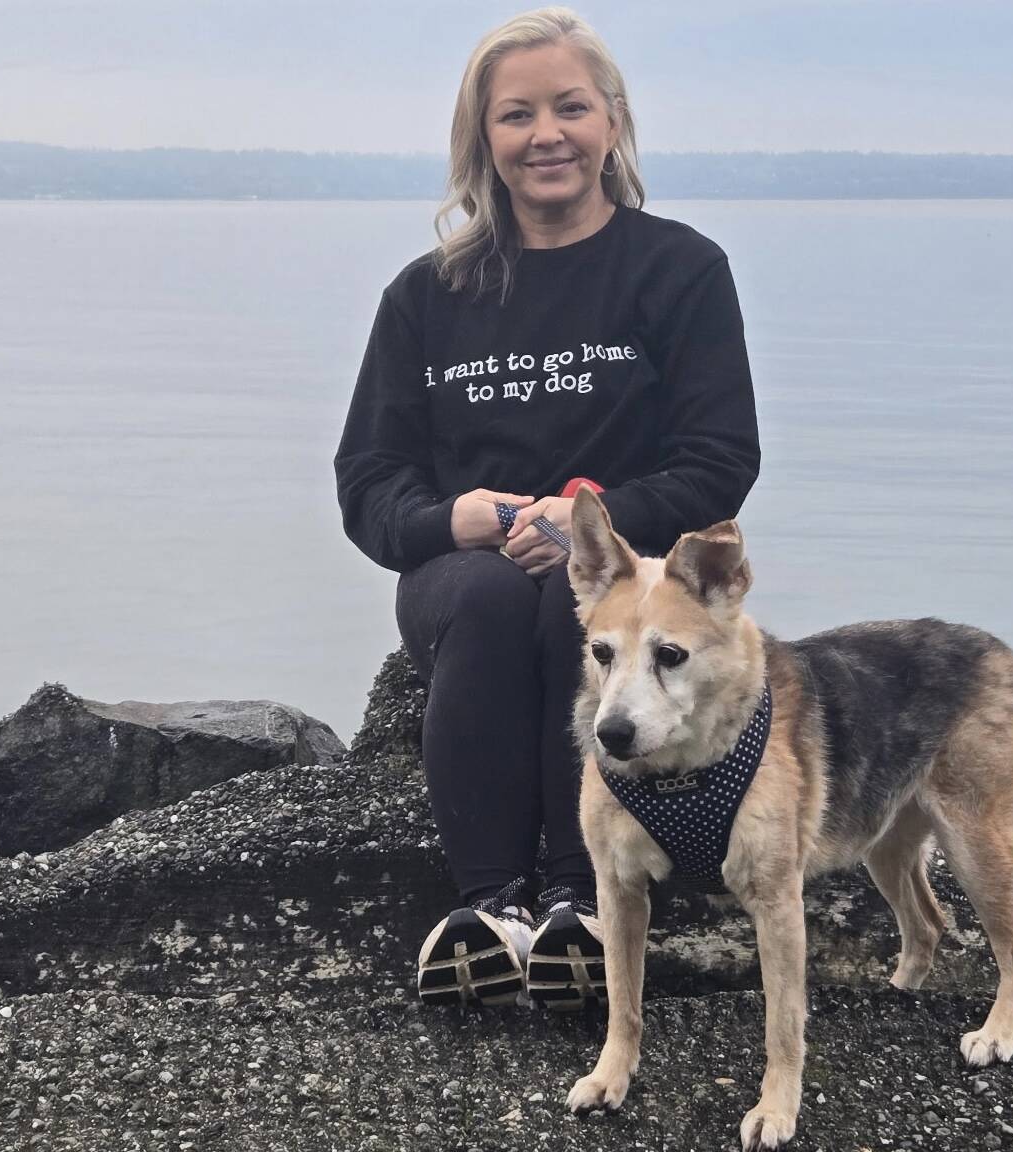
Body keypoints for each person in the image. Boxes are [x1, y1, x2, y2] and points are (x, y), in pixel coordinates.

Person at [333, 6, 760, 1010]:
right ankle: (491, 909)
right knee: (494, 600)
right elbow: (369, 483)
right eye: (516, 115)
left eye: (570, 107)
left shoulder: (681, 269)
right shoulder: (426, 295)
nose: (546, 135)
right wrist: (461, 520)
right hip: (463, 569)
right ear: (485, 140)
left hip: (628, 578)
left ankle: (577, 901)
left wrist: (589, 524)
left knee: (572, 616)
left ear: (610, 121)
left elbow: (720, 459)